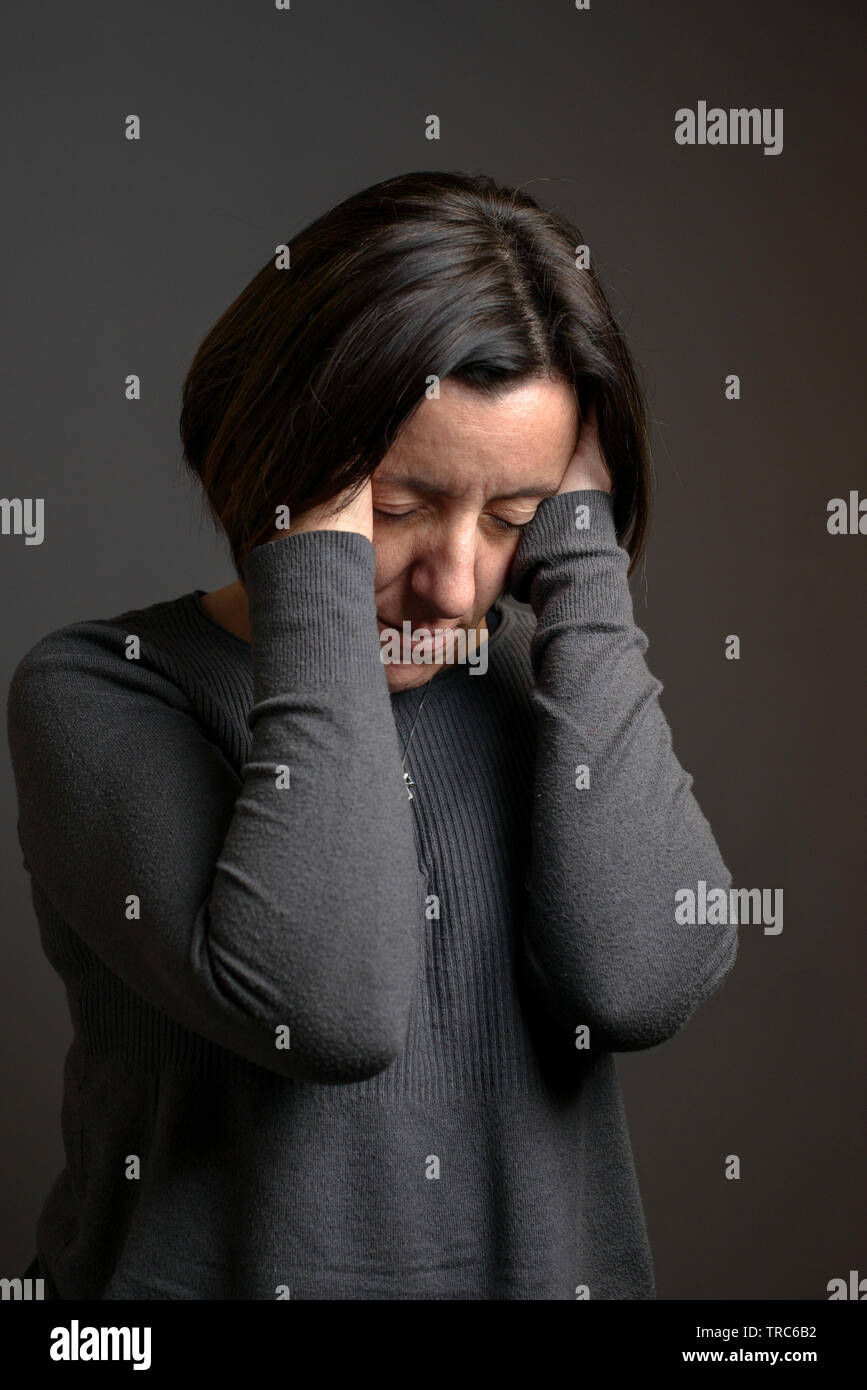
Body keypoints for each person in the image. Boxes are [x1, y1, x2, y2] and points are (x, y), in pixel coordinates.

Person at [6, 169, 737, 1300]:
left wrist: (584, 569)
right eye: (395, 510)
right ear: (287, 474)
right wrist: (316, 579)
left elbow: (639, 984)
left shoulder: (556, 691)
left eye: (516, 517)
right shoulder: (104, 691)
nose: (456, 583)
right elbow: (324, 1009)